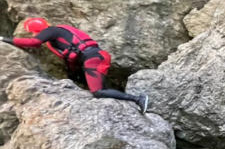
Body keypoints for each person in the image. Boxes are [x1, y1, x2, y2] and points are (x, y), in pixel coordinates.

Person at [2, 18, 148, 113]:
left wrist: (5, 39)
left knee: (97, 92)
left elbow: (34, 43)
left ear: (35, 31)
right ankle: (129, 104)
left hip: (92, 59)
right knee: (101, 89)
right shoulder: (60, 31)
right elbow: (72, 56)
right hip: (97, 56)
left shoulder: (51, 31)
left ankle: (138, 99)